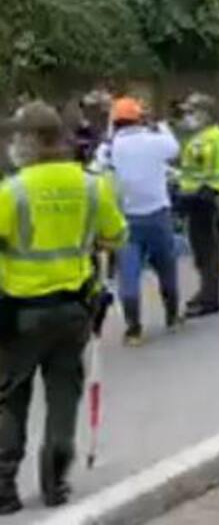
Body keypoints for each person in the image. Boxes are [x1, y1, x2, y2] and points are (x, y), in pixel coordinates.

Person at [0, 101, 126, 512]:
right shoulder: (91, 185)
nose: (12, 143)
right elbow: (116, 235)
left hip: (19, 313)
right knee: (62, 393)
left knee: (11, 398)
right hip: (74, 309)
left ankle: (4, 488)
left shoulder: (12, 192)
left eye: (18, 135)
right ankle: (55, 482)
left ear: (35, 142)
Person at [108, 97, 181, 345]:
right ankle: (172, 316)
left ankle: (133, 329)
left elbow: (100, 172)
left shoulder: (109, 148)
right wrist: (159, 124)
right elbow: (174, 148)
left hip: (126, 219)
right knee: (166, 267)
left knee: (129, 274)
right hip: (158, 214)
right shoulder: (155, 141)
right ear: (140, 118)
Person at [176, 93, 219, 318]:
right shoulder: (196, 137)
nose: (188, 116)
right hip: (193, 199)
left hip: (210, 199)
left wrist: (205, 191)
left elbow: (217, 170)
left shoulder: (216, 137)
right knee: (199, 250)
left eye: (192, 112)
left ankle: (211, 298)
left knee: (210, 250)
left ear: (206, 113)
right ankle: (204, 290)